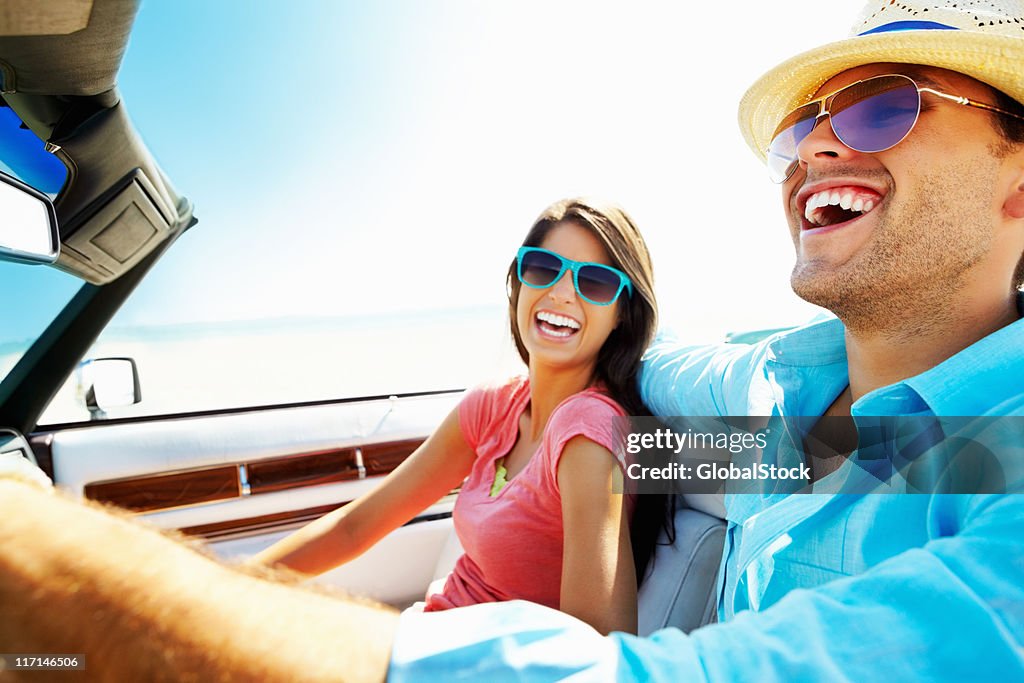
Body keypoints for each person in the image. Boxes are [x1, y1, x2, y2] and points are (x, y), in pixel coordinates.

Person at [2, 0, 1023, 680]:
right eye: (805, 131)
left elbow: (634, 650)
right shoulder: (778, 400)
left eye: (888, 107)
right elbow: (619, 396)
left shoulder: (998, 466)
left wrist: (55, 566)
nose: (820, 148)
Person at [244, 197, 663, 635]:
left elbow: (597, 647)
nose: (561, 291)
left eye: (594, 282)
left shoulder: (587, 433)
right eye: (543, 267)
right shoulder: (494, 405)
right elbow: (355, 527)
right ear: (519, 283)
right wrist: (234, 583)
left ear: (621, 315)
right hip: (424, 634)